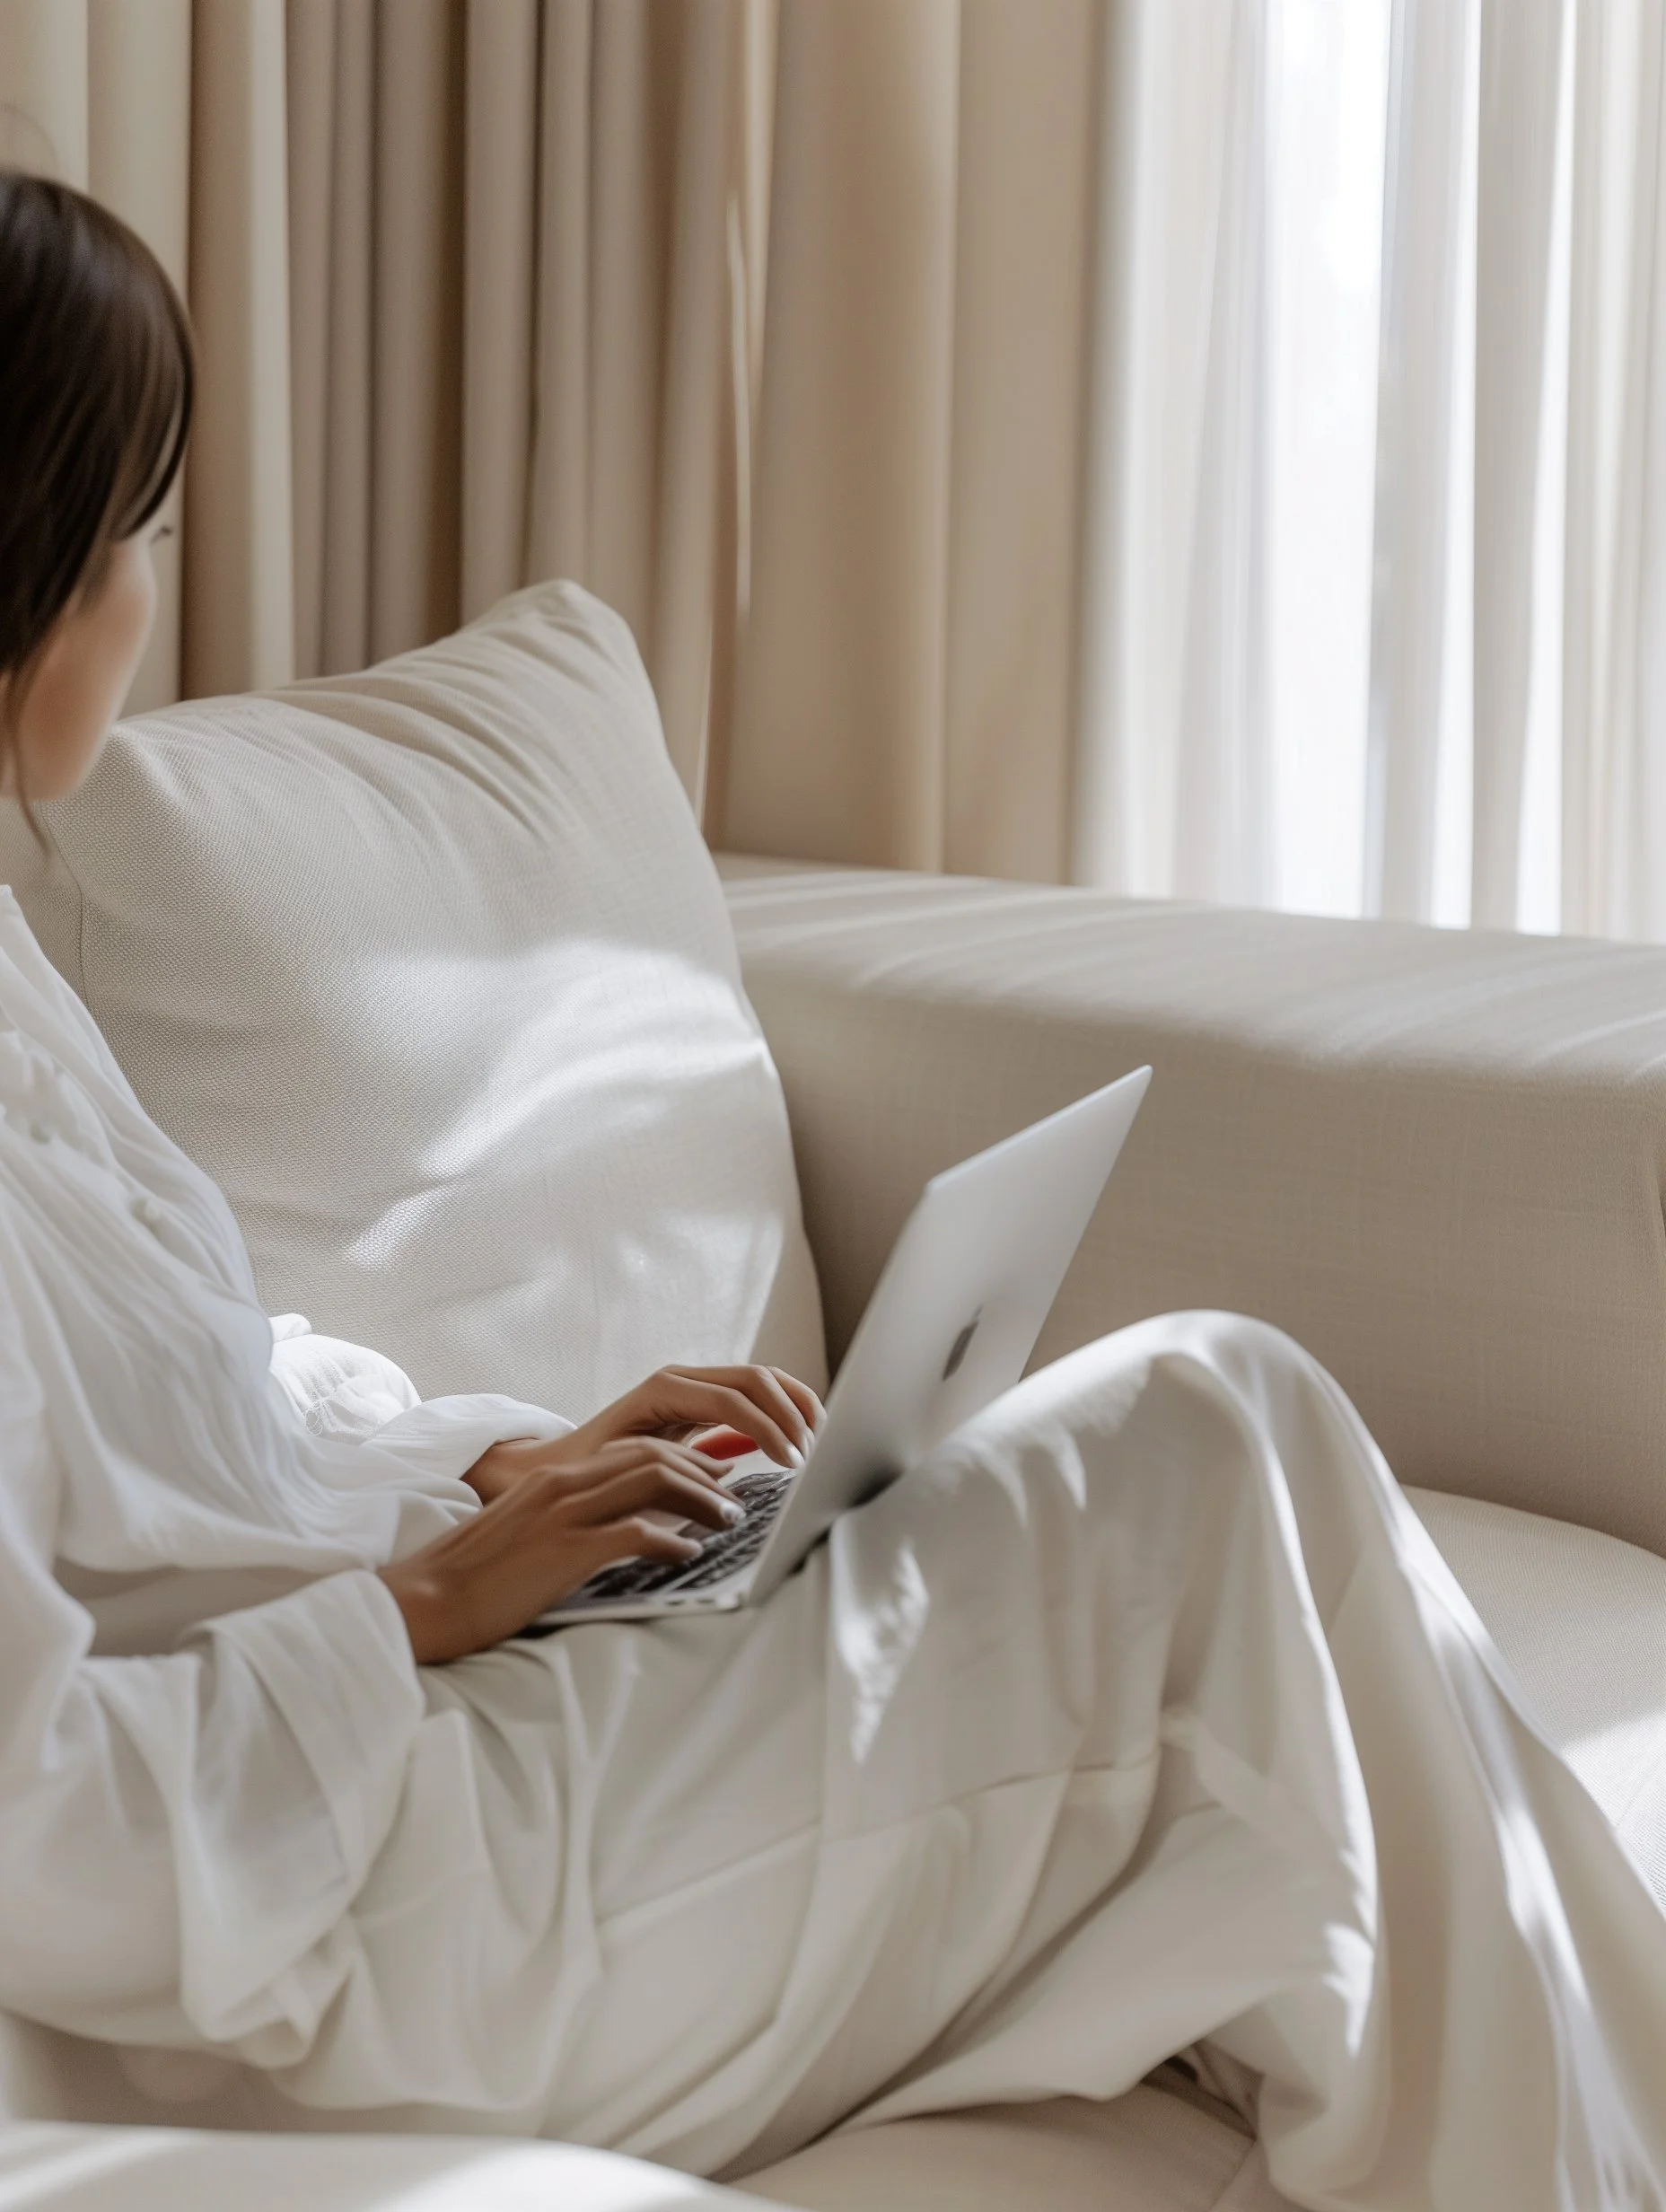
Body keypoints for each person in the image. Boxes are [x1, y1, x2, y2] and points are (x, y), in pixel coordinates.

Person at [1, 169, 1663, 2212]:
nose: (147, 603)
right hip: (332, 1926)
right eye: (132, 535)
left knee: (1225, 1472)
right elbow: (36, 1813)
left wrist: (494, 1458)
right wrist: (415, 1601)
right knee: (1218, 1450)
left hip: (365, 1774)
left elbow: (201, 1384)